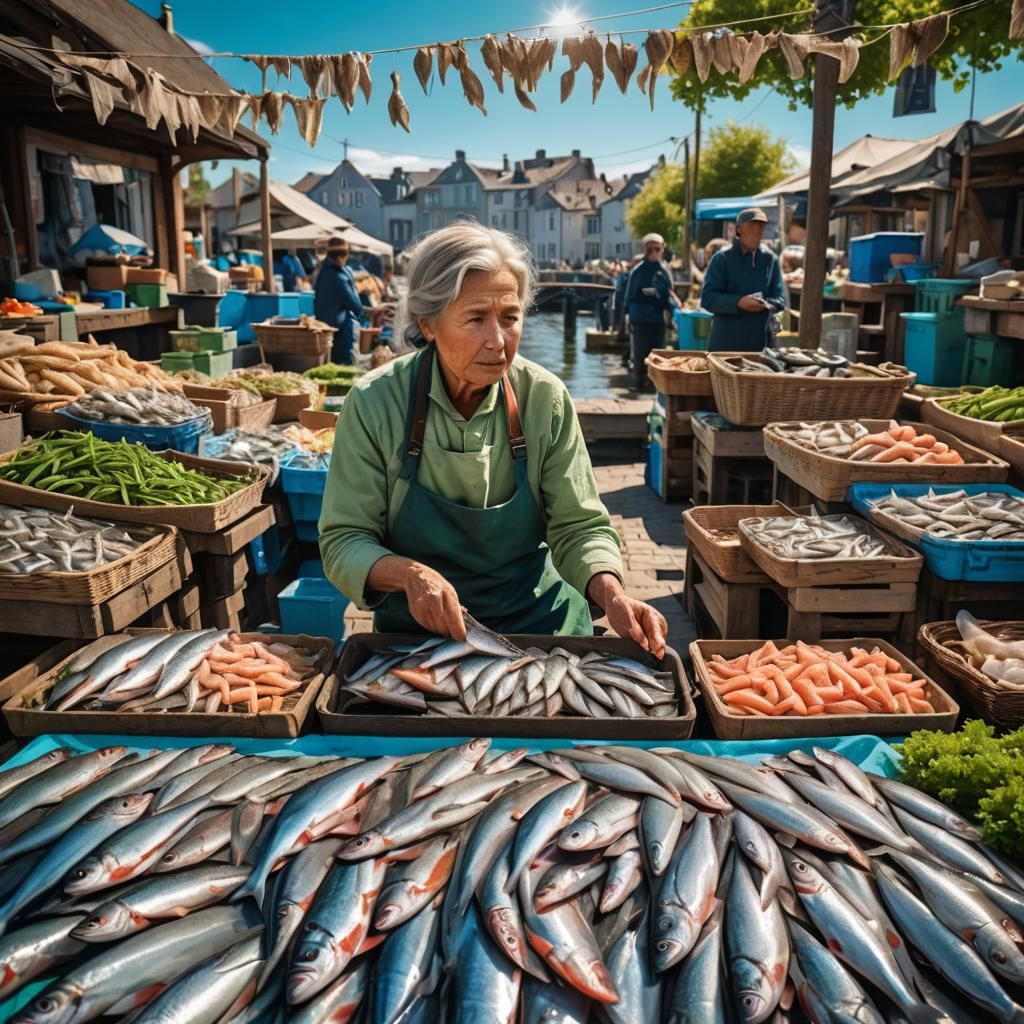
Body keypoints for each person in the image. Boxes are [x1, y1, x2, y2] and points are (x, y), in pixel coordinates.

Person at [318, 222, 667, 653]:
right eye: (476, 319)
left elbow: (579, 525)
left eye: (510, 317)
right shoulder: (375, 404)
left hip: (540, 628)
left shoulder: (544, 399)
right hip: (421, 638)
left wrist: (612, 594)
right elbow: (344, 539)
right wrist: (410, 576)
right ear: (428, 324)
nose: (497, 340)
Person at [701, 208, 787, 352]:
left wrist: (767, 304)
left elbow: (780, 299)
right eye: (752, 226)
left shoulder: (770, 259)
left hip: (759, 344)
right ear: (739, 230)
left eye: (760, 226)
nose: (757, 231)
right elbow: (708, 299)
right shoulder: (722, 258)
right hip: (725, 343)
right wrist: (738, 302)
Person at [624, 233, 681, 390]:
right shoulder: (638, 271)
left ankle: (654, 384)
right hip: (640, 318)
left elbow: (669, 294)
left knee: (657, 354)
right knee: (640, 353)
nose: (654, 252)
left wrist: (675, 307)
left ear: (662, 249)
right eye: (650, 249)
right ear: (645, 250)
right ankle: (639, 382)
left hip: (657, 318)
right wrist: (628, 317)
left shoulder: (664, 271)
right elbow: (629, 296)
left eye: (657, 249)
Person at [314, 238, 364, 364]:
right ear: (345, 254)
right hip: (341, 333)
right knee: (345, 367)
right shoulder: (339, 276)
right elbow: (355, 305)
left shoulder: (324, 272)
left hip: (327, 332)